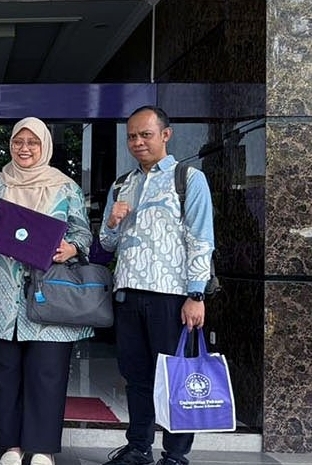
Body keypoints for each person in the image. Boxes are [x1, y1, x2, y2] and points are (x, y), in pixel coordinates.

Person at [0, 117, 93, 465]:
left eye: (33, 142)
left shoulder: (65, 187)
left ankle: (42, 448)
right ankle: (11, 446)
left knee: (47, 373)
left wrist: (71, 248)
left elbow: (83, 233)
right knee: (4, 373)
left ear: (45, 146)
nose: (24, 148)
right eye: (18, 142)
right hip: (2, 295)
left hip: (49, 295)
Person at [98, 106, 214, 465]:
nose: (137, 142)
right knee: (136, 377)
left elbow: (201, 240)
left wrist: (196, 294)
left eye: (145, 134)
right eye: (132, 136)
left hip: (172, 297)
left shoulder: (188, 179)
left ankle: (176, 454)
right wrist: (113, 223)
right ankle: (138, 447)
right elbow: (106, 244)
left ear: (166, 135)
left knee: (175, 377)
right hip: (128, 294)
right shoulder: (122, 184)